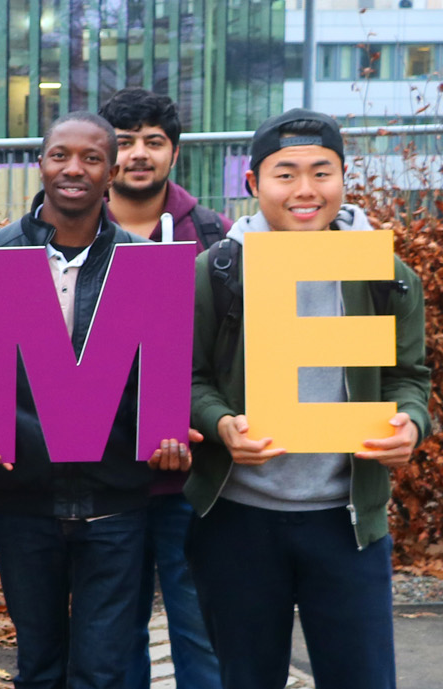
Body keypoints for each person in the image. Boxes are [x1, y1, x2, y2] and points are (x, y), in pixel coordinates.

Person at [0, 113, 202, 689]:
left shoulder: (143, 264)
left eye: (91, 158)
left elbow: (164, 377)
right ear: (42, 162)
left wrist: (171, 431)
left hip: (115, 505)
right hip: (24, 502)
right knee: (37, 667)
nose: (74, 169)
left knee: (103, 672)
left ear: (111, 172)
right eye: (61, 154)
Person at [185, 108, 430, 689]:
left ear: (344, 179)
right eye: (285, 173)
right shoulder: (217, 271)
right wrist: (221, 425)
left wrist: (411, 425)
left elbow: (408, 378)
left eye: (322, 172)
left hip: (347, 523)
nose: (305, 190)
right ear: (253, 183)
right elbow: (188, 380)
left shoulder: (385, 275)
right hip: (239, 520)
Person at [96, 87, 224, 689]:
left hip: (193, 473)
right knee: (115, 636)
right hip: (102, 470)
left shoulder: (214, 236)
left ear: (175, 152)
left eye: (154, 141)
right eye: (124, 143)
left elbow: (228, 355)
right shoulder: (67, 231)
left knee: (199, 627)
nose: (138, 154)